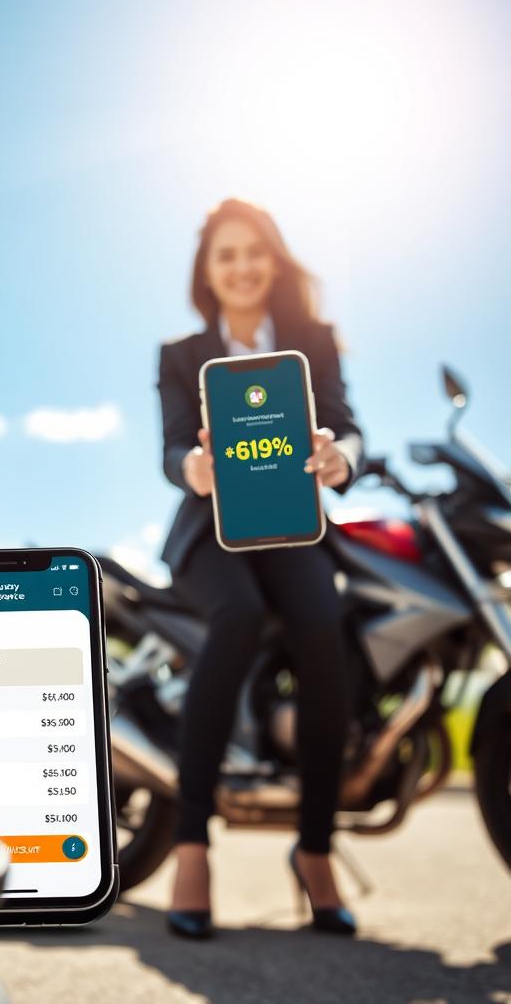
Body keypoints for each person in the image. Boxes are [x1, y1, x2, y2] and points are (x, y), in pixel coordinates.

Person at [158, 198, 364, 939]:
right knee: (238, 616)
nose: (241, 266)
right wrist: (194, 467)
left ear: (273, 261)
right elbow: (173, 444)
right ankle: (189, 845)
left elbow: (346, 422)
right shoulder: (180, 354)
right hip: (210, 536)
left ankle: (314, 850)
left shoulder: (314, 340)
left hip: (295, 530)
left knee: (324, 629)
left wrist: (342, 457)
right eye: (225, 255)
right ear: (207, 272)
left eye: (254, 252)